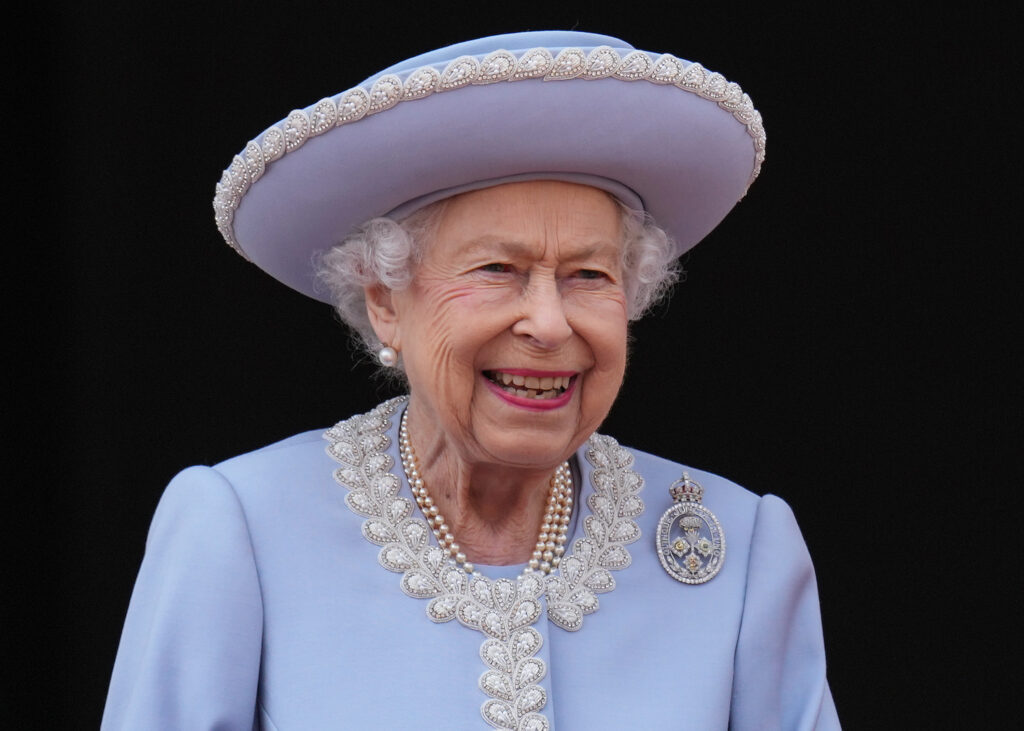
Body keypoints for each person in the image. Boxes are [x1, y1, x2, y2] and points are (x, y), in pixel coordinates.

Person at [103, 31, 840, 730]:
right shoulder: (241, 528)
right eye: (498, 271)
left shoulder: (740, 552)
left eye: (589, 275)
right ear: (385, 300)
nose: (549, 323)